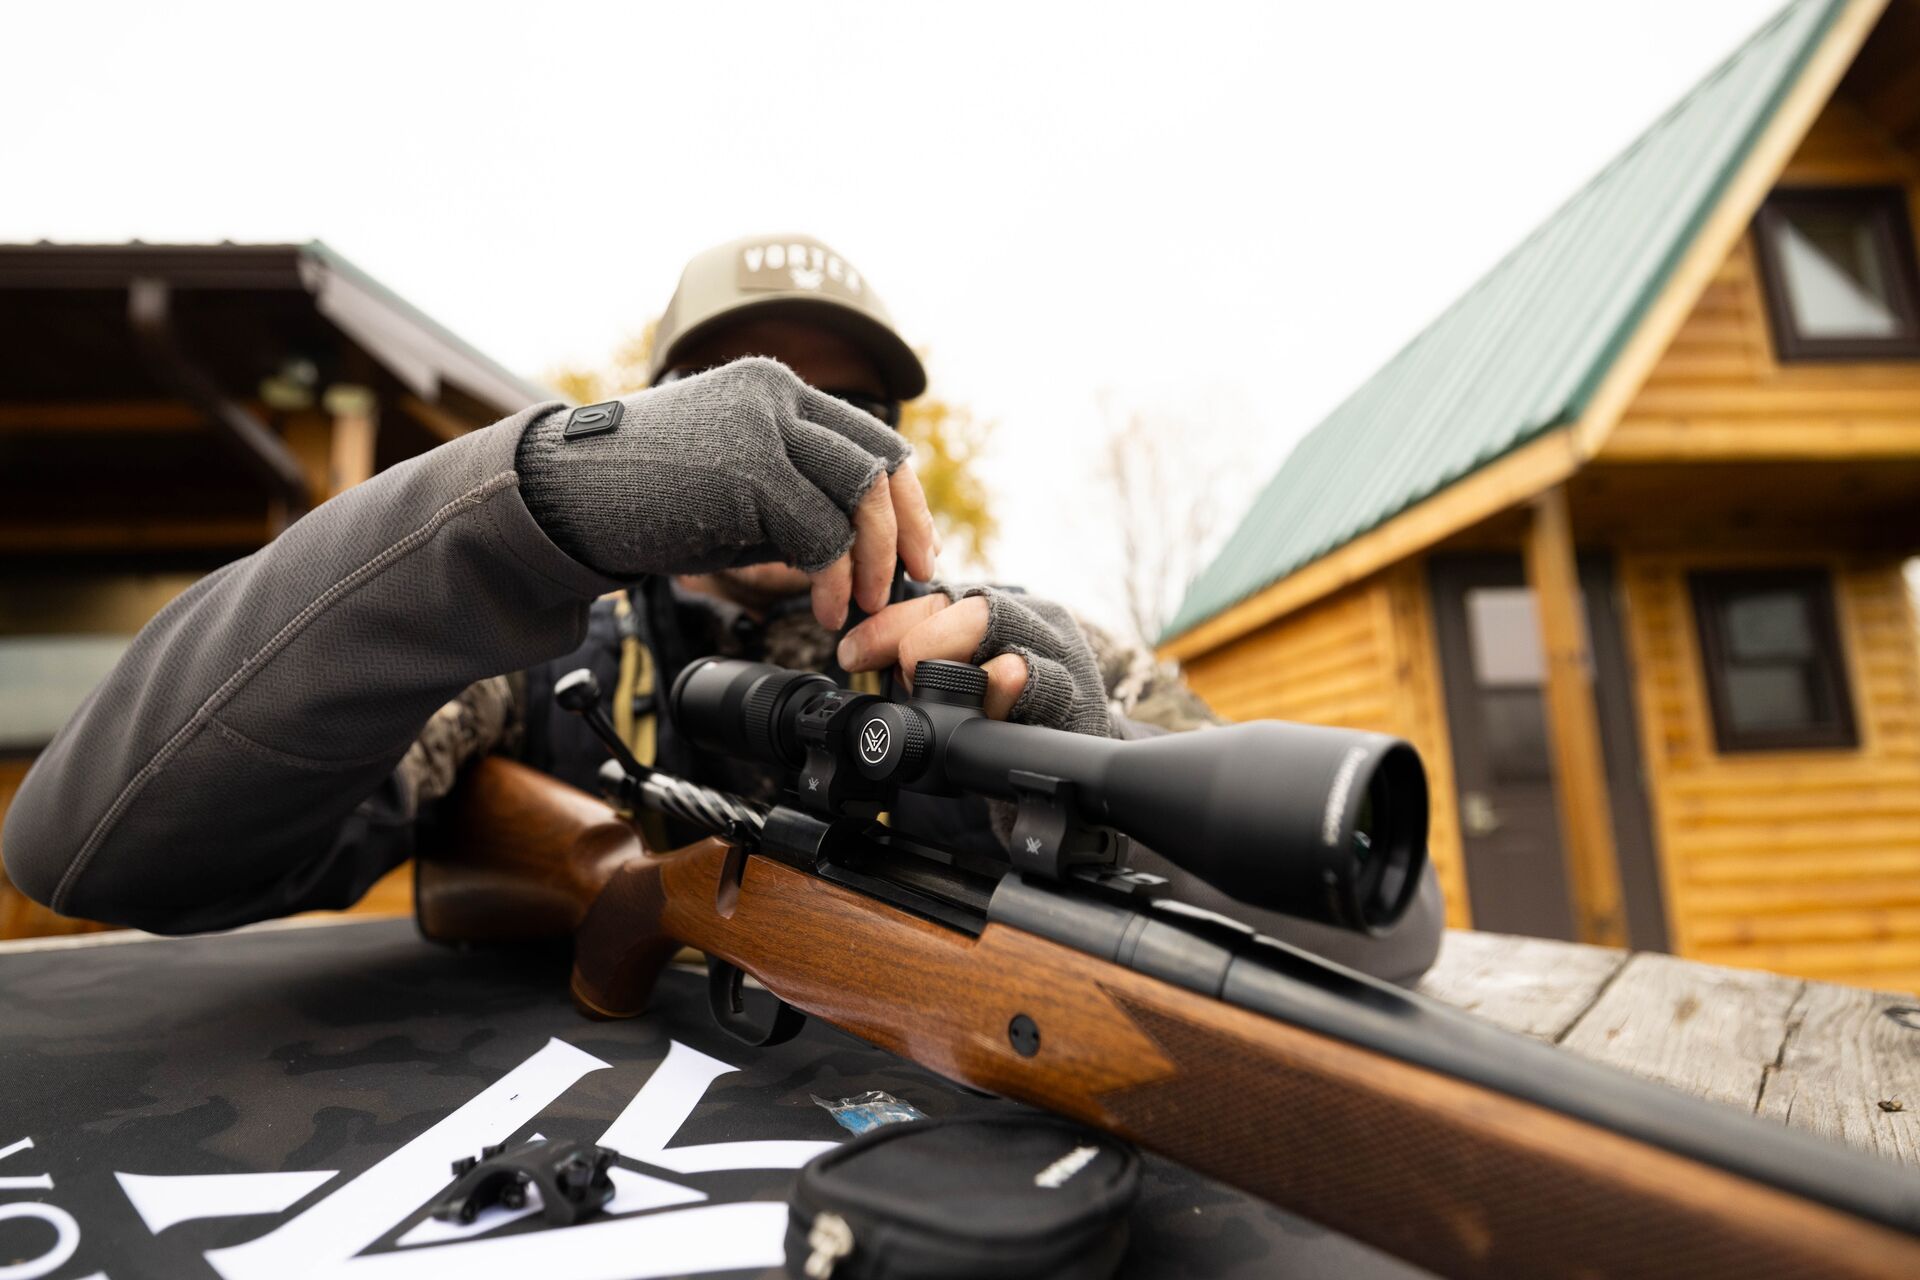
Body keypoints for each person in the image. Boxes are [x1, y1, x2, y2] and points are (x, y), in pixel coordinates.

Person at [2, 232, 1442, 980]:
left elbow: (1387, 931)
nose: (814, 427)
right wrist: (522, 510)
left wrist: (1102, 780)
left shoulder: (1017, 660)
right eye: (749, 392)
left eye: (853, 401)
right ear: (669, 424)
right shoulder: (535, 663)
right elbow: (84, 848)